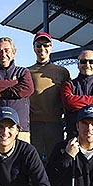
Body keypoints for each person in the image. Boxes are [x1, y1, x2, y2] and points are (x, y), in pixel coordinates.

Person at [27, 32, 70, 164]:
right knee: (35, 162)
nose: (42, 48)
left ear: (51, 47)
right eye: (38, 45)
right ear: (34, 48)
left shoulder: (62, 71)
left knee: (55, 161)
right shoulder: (26, 71)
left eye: (46, 45)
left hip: (55, 125)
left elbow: (68, 98)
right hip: (34, 125)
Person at [0, 37, 34, 142]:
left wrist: (1, 92)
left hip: (21, 130)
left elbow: (27, 88)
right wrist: (14, 83)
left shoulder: (23, 72)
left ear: (14, 52)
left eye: (7, 50)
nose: (3, 54)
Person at [61, 49, 93, 141]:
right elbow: (69, 103)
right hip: (74, 139)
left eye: (91, 62)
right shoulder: (69, 85)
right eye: (83, 61)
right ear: (78, 65)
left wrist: (79, 107)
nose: (87, 65)